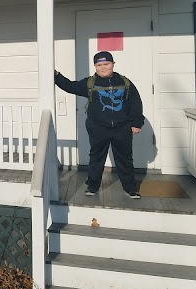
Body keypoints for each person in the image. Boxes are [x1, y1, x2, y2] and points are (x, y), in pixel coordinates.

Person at [55, 51, 144, 199]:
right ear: (95, 66)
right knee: (96, 158)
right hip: (98, 128)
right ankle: (93, 186)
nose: (103, 68)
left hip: (122, 128)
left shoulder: (125, 82)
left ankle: (130, 188)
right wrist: (57, 76)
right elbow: (70, 86)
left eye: (106, 64)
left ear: (113, 64)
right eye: (99, 65)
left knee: (125, 159)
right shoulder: (90, 83)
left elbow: (135, 103)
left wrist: (136, 123)